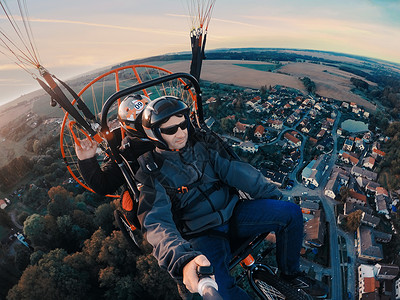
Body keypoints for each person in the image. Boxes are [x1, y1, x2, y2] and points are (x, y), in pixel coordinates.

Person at [134, 96, 327, 299]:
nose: (180, 133)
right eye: (170, 129)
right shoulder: (152, 173)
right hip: (203, 234)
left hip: (234, 213)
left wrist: (272, 197)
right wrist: (182, 260)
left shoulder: (202, 146)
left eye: (183, 125)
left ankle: (290, 274)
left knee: (291, 213)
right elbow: (157, 225)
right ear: (155, 134)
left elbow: (237, 172)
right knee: (220, 292)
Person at [75, 94, 154, 195]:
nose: (151, 123)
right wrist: (86, 160)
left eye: (151, 117)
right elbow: (103, 186)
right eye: (144, 121)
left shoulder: (170, 128)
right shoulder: (128, 153)